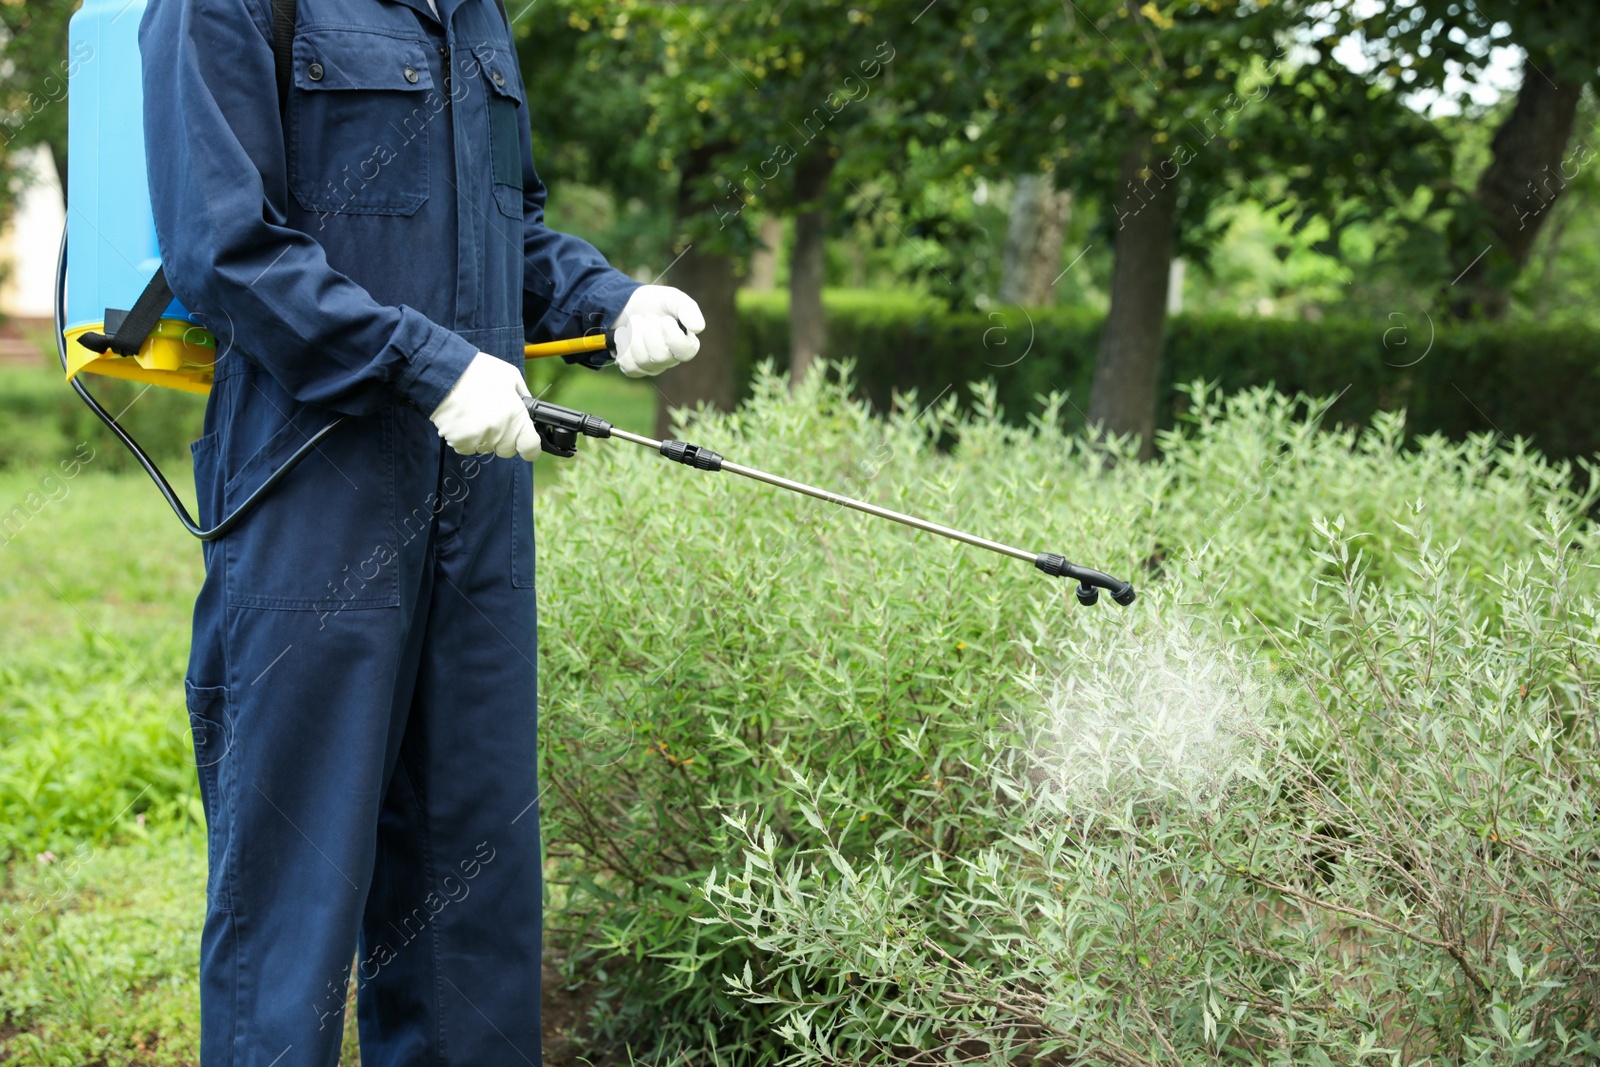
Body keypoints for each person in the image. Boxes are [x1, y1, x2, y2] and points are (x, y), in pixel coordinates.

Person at [140, 0, 702, 1061]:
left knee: (473, 901)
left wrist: (607, 298)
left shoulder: (475, 12)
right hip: (310, 491)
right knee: (288, 912)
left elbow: (507, 229)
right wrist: (422, 363)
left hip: (478, 505)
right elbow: (224, 247)